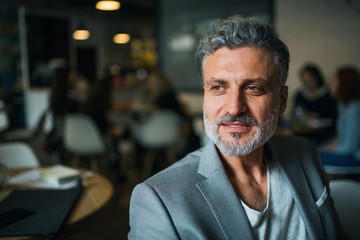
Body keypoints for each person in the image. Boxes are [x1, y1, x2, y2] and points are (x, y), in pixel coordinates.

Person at [128, 15, 347, 239]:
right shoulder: (158, 199)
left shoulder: (305, 153)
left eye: (253, 88)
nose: (234, 108)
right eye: (218, 87)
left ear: (282, 100)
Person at [321, 66, 360, 168]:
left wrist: (325, 149)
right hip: (347, 152)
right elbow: (340, 137)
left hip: (355, 157)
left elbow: (349, 148)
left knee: (312, 158)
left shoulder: (354, 110)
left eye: (334, 81)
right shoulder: (343, 105)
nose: (330, 84)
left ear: (345, 84)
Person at [291, 63, 337, 144]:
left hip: (323, 134)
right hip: (303, 132)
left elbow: (333, 117)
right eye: (305, 81)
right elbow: (294, 113)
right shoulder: (300, 94)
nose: (308, 83)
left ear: (317, 78)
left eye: (310, 79)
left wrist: (317, 115)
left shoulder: (328, 94)